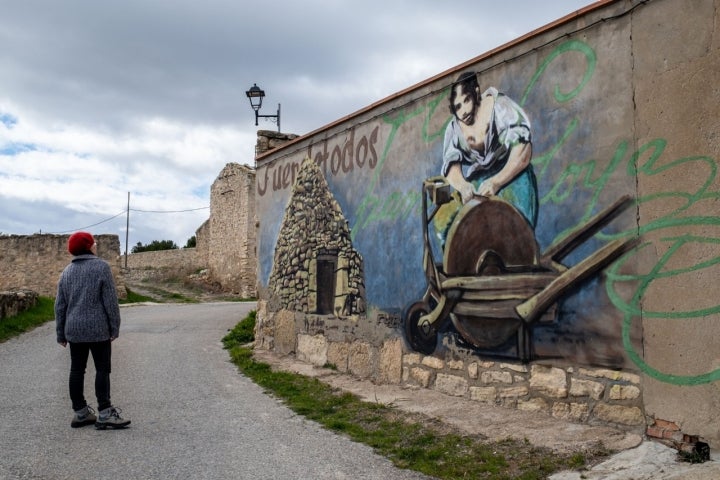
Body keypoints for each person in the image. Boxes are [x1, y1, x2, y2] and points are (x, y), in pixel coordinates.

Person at [434, 71, 538, 248]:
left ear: (476, 91)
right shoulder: (453, 128)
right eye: (458, 106)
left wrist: (497, 182)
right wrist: (463, 186)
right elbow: (452, 167)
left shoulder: (500, 106)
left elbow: (523, 151)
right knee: (446, 222)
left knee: (516, 227)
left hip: (513, 175)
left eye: (466, 100)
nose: (464, 110)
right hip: (479, 179)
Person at [55, 231, 130, 430]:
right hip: (98, 329)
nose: (96, 245)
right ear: (89, 246)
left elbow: (59, 306)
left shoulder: (66, 273)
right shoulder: (101, 267)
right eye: (94, 243)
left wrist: (60, 333)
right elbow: (110, 302)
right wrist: (115, 327)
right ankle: (105, 413)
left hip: (74, 330)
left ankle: (80, 413)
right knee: (102, 369)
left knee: (77, 370)